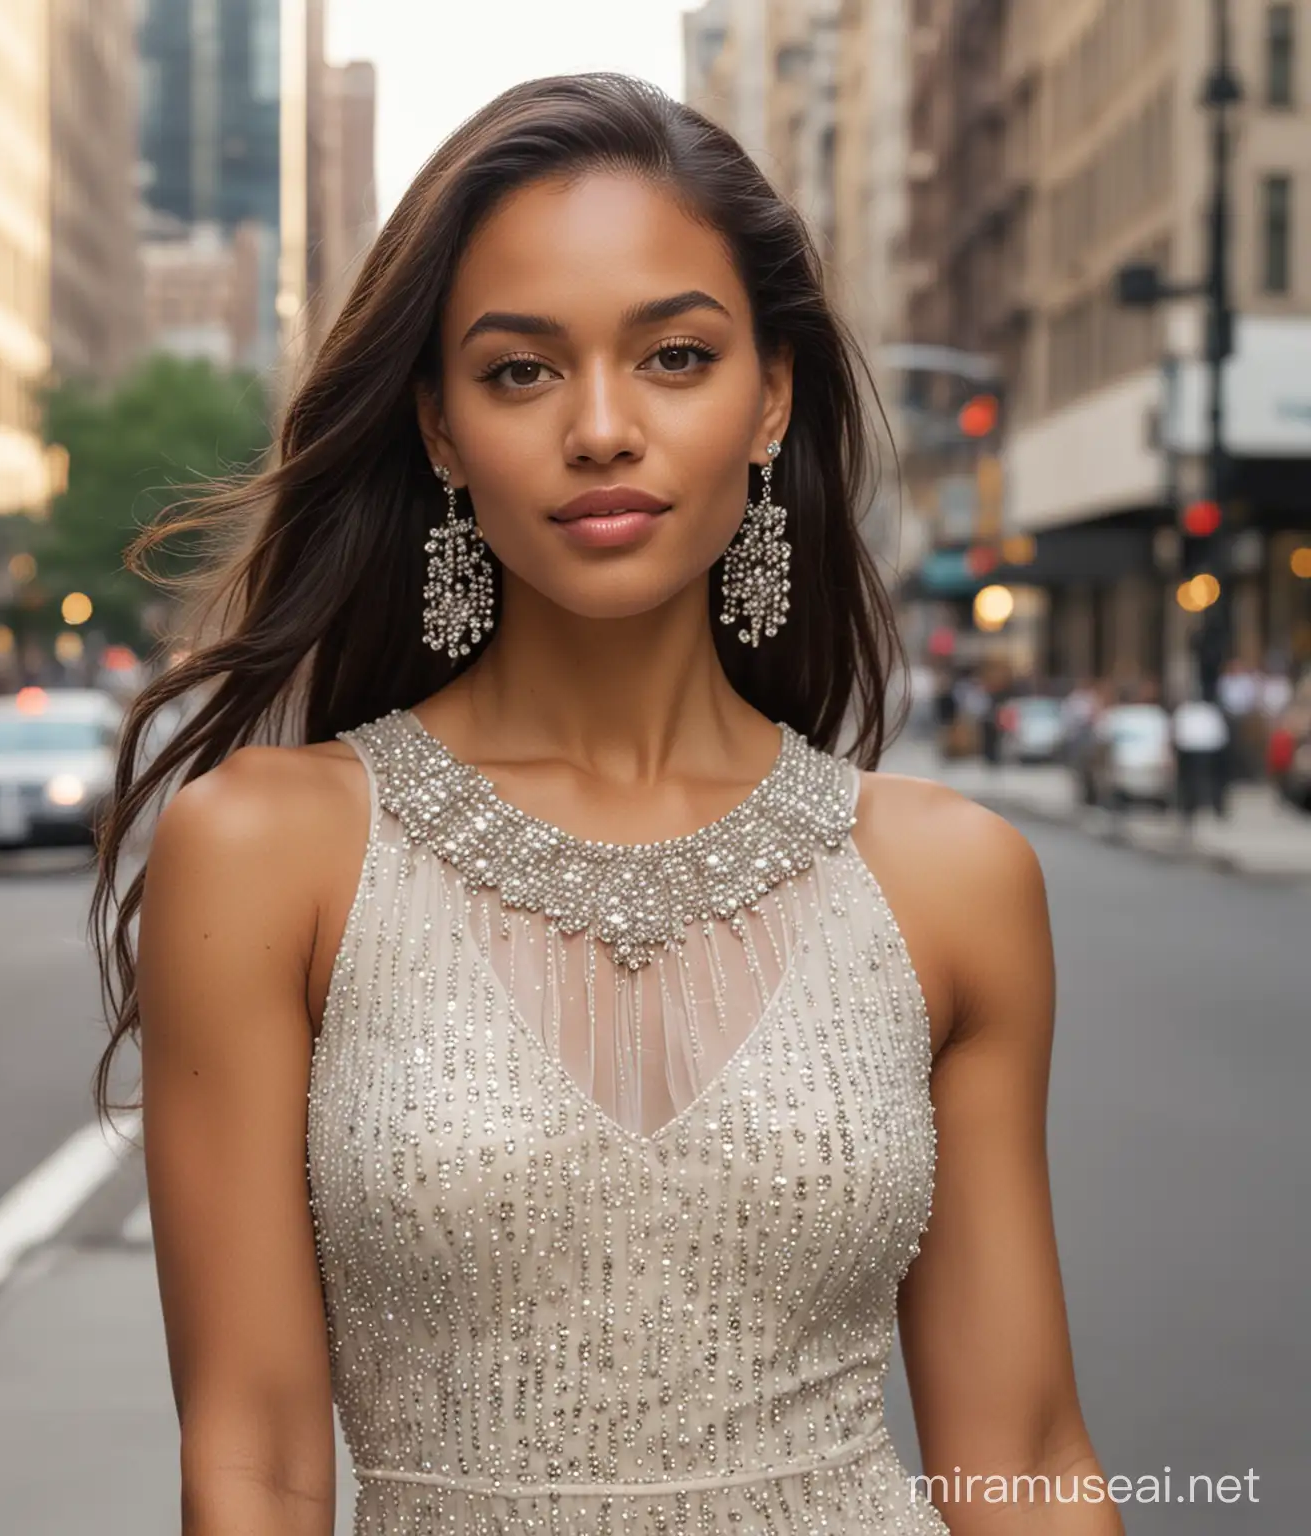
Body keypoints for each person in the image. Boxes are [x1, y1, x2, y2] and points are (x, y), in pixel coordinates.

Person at [93, 77, 1118, 1534]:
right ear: (439, 429)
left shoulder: (951, 881)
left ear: (769, 396)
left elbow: (1023, 1455)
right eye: (519, 371)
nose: (600, 427)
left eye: (675, 357)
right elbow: (251, 1463)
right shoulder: (272, 850)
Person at [1172, 683, 1231, 827]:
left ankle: (1192, 809)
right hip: (1203, 750)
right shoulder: (1202, 710)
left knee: (1192, 782)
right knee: (1201, 782)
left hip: (1197, 750)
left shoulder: (1190, 710)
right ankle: (1205, 809)